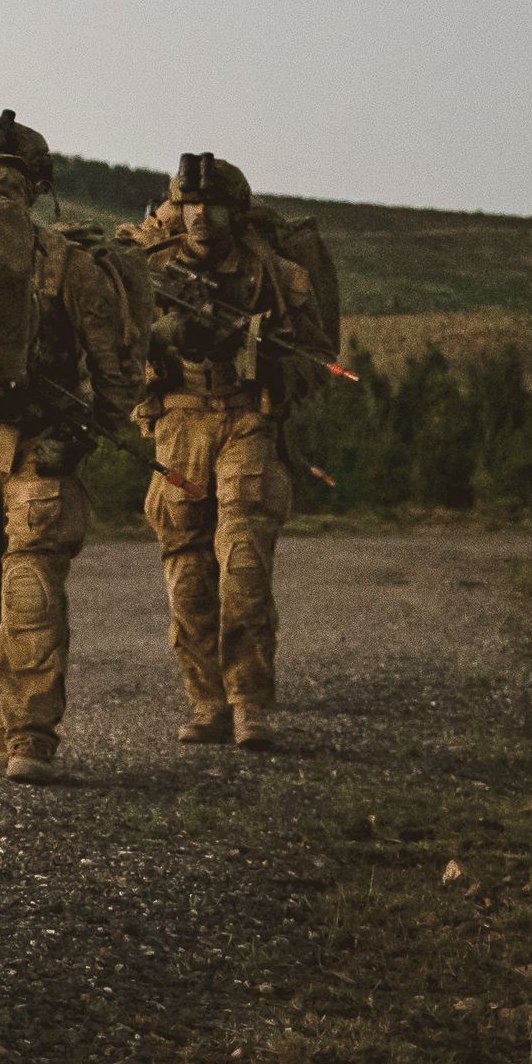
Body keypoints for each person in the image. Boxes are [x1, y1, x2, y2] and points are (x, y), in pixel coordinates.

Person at [0, 121, 142, 783]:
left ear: (33, 189)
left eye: (11, 176)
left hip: (41, 444)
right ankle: (4, 715)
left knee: (28, 591)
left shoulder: (68, 265)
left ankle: (30, 733)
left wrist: (91, 430)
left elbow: (114, 365)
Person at [127, 153, 325, 748]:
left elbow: (316, 364)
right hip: (179, 425)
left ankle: (249, 702)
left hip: (247, 421)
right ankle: (207, 702)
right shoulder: (146, 273)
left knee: (242, 566)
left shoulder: (277, 278)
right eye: (189, 205)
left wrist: (261, 351)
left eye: (212, 206)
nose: (199, 217)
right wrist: (160, 342)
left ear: (235, 214)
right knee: (187, 574)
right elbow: (111, 357)